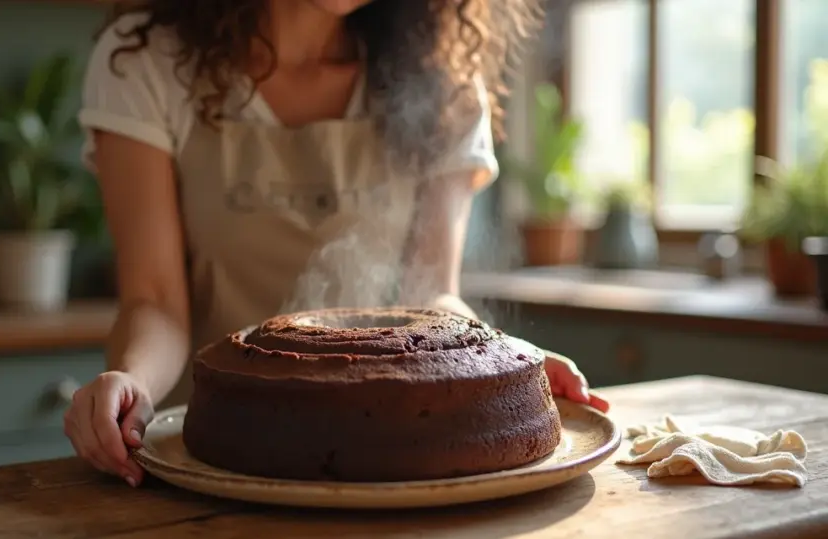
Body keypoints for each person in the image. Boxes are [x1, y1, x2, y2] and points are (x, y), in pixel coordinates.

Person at [64, 0, 609, 488]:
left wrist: (505, 364)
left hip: (389, 466)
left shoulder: (444, 87)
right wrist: (133, 380)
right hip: (211, 462)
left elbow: (432, 299)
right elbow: (156, 299)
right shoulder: (147, 63)